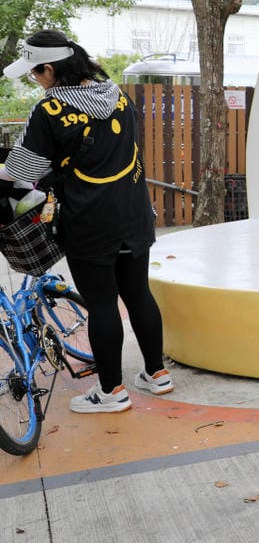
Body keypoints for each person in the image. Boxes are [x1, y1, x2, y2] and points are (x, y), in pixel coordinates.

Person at [1, 30, 171, 413]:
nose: (35, 80)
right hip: (134, 213)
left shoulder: (50, 109)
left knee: (102, 303)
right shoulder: (118, 96)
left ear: (49, 69)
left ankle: (111, 392)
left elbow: (20, 171)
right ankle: (157, 374)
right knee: (138, 293)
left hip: (90, 219)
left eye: (34, 73)